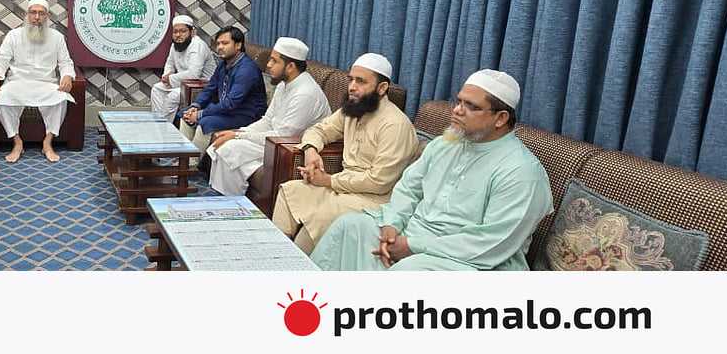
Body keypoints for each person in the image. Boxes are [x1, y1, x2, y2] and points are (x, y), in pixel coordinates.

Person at [310, 69, 552, 271]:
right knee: (350, 226)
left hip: (470, 261)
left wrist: (412, 246)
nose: (457, 110)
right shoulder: (446, 143)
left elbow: (492, 242)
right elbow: (409, 188)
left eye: (471, 106)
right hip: (412, 233)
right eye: (459, 101)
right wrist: (392, 226)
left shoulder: (521, 172)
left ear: (500, 118)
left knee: (408, 271)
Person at [270, 53, 419, 252]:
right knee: (289, 191)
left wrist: (328, 181)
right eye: (351, 80)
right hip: (342, 188)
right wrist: (310, 150)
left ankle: (296, 265)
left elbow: (379, 182)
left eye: (361, 81)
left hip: (373, 200)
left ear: (382, 88)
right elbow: (318, 130)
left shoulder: (395, 125)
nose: (352, 87)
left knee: (317, 221)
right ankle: (275, 253)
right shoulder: (353, 109)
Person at [207, 37, 330, 196]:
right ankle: (225, 199)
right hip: (273, 141)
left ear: (290, 66)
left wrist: (237, 136)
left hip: (290, 149)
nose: (268, 65)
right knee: (227, 146)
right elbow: (267, 120)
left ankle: (230, 201)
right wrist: (239, 132)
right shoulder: (283, 85)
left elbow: (283, 136)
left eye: (274, 61)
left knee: (231, 149)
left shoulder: (305, 94)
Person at [0, 0, 76, 163]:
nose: (37, 17)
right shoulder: (13, 35)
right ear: (27, 15)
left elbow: (65, 62)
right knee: (2, 97)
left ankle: (47, 143)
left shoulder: (57, 37)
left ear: (47, 16)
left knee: (61, 98)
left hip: (46, 83)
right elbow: (1, 60)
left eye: (41, 13)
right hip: (17, 83)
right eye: (33, 12)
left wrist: (67, 75)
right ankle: (17, 142)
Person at [179, 26, 267, 154]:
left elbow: (231, 103)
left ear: (238, 45)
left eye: (225, 43)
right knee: (185, 115)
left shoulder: (247, 70)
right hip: (227, 112)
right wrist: (195, 106)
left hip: (245, 115)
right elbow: (210, 88)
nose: (220, 47)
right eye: (218, 43)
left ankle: (192, 162)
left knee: (206, 122)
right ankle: (182, 157)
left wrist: (200, 114)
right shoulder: (224, 64)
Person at [149, 15, 217, 120]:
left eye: (183, 31)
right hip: (182, 83)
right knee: (157, 89)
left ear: (192, 32)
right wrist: (166, 75)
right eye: (175, 32)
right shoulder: (175, 45)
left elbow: (194, 74)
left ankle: (165, 125)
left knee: (173, 96)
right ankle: (157, 120)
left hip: (201, 86)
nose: (178, 35)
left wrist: (170, 78)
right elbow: (170, 63)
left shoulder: (198, 46)